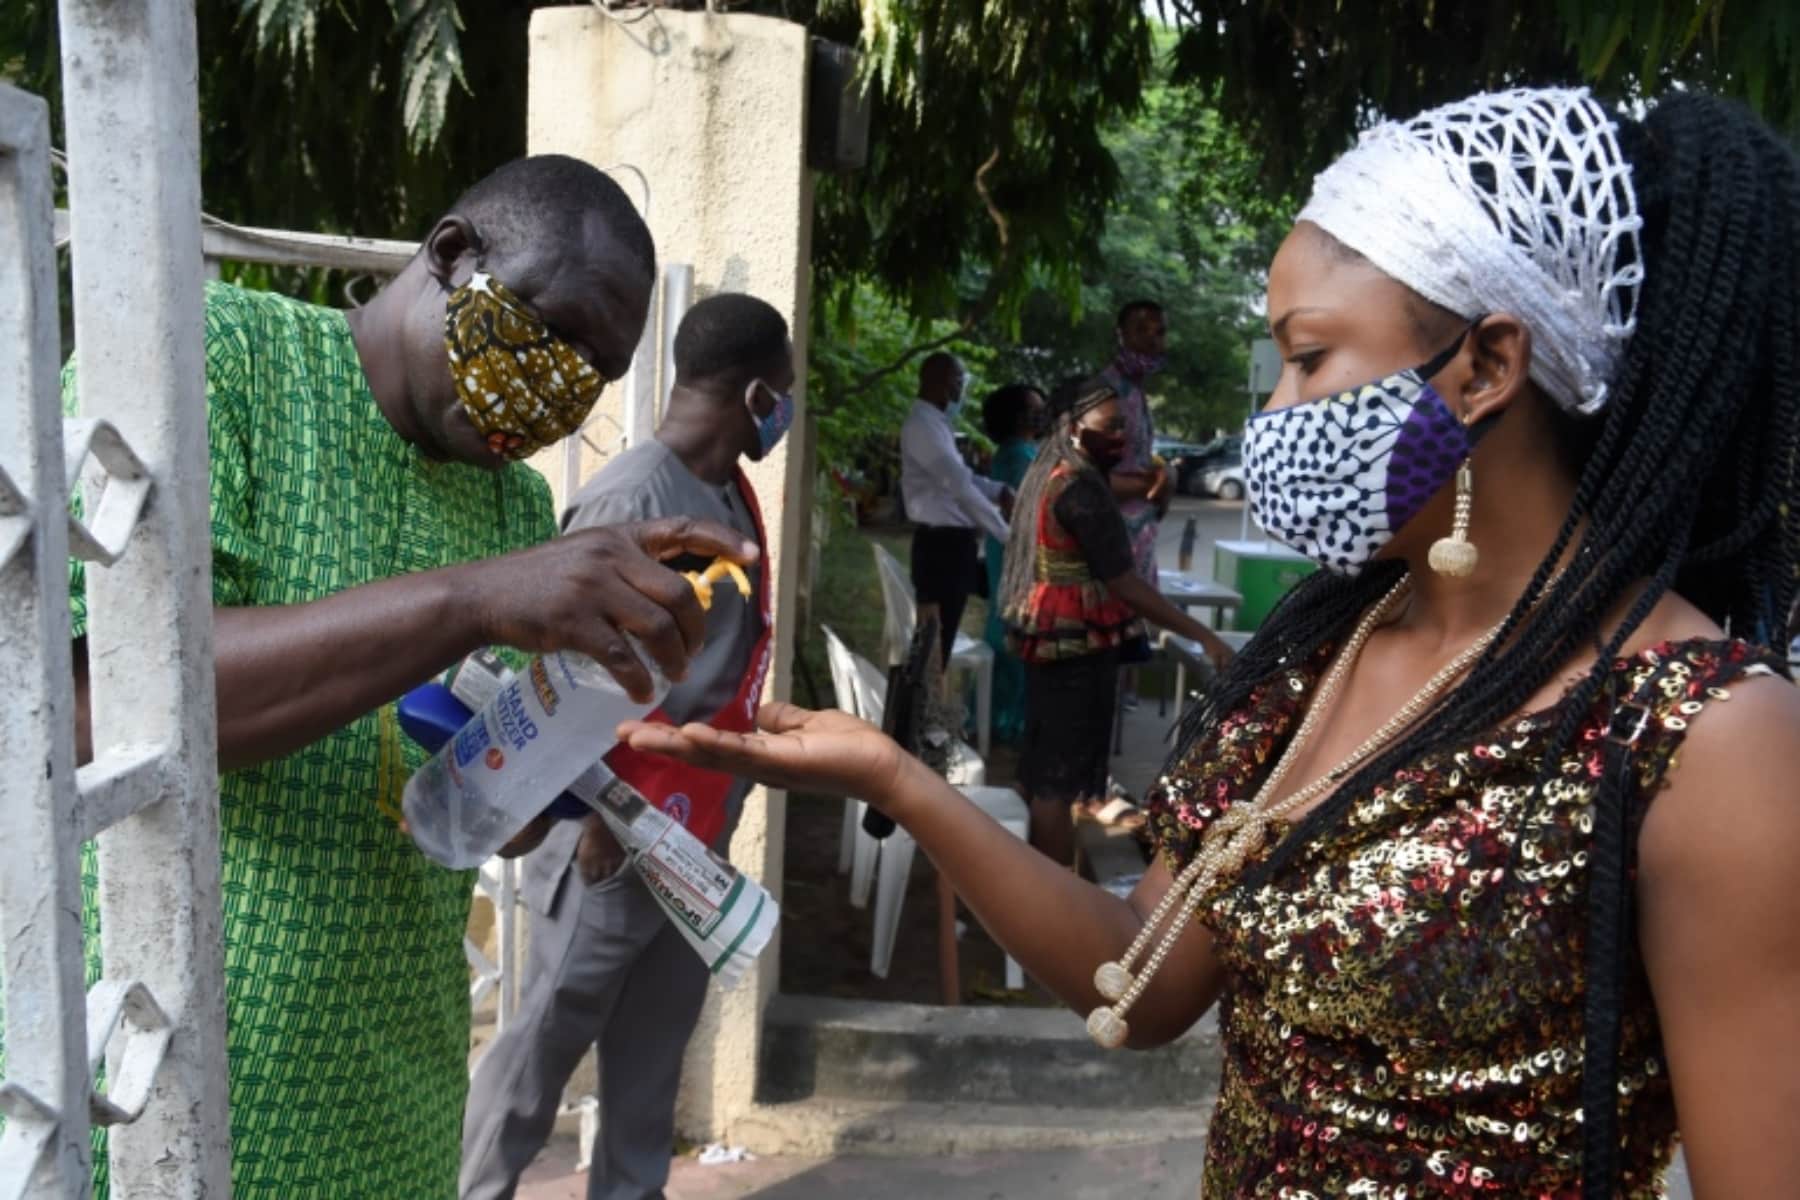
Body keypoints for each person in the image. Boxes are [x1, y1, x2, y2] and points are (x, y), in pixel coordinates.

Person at [618, 88, 1800, 1197]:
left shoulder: (1704, 738)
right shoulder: (1317, 657)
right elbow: (1143, 971)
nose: (1274, 415)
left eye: (1310, 356)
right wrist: (899, 781)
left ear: (1488, 366)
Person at [55, 155, 756, 1199]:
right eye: (550, 330)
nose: (563, 384)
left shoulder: (515, 509)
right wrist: (473, 601)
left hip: (393, 1104)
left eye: (598, 371)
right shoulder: (221, 356)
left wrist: (580, 710)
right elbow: (94, 705)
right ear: (449, 255)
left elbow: (485, 820)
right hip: (166, 1087)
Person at [460, 294, 791, 1200]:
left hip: (689, 830)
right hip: (611, 832)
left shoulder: (724, 491)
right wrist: (598, 810)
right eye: (786, 390)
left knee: (649, 1063)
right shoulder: (634, 496)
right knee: (539, 1054)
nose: (788, 408)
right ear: (759, 392)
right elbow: (553, 675)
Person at [999, 378, 1233, 866]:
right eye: (1110, 426)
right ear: (1072, 427)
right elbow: (1126, 582)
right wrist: (1204, 636)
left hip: (1049, 635)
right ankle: (1054, 898)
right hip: (1076, 644)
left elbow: (1134, 491)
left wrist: (1161, 480)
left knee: (1044, 765)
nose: (1121, 436)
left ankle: (1035, 880)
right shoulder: (1080, 490)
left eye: (1124, 425)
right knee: (1056, 784)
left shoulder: (1052, 473)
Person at [900, 351, 1011, 664]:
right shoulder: (922, 426)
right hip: (940, 549)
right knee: (933, 649)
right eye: (958, 383)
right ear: (941, 384)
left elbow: (964, 478)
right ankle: (920, 711)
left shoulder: (936, 424)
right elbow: (959, 487)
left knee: (939, 644)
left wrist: (999, 490)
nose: (960, 392)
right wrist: (1006, 535)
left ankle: (926, 706)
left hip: (951, 546)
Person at [1101, 300, 1174, 709]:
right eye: (1142, 330)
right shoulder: (1107, 392)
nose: (1152, 340)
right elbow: (1088, 478)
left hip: (1139, 537)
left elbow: (1142, 463)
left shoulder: (1137, 392)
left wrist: (1162, 479)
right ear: (1120, 334)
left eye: (1159, 331)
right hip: (1110, 542)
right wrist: (1151, 483)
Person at [979, 381, 1046, 743]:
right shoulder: (1020, 456)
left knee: (1004, 629)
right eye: (1033, 408)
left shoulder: (1012, 451)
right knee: (1014, 638)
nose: (1040, 413)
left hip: (1004, 552)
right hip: (1017, 556)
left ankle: (995, 716)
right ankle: (1006, 722)